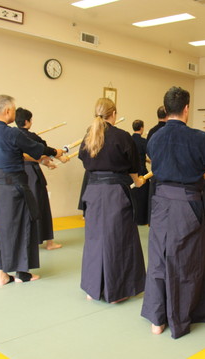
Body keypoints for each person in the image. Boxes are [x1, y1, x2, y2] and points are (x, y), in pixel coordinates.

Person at [141, 86, 205, 339]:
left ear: (165, 110)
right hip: (188, 204)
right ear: (187, 108)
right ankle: (195, 312)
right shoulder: (202, 139)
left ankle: (158, 319)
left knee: (159, 257)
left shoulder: (153, 139)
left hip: (160, 203)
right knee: (190, 260)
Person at [0, 95, 65, 287]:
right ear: (8, 111)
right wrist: (55, 152)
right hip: (14, 189)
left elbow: (11, 155)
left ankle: (1, 274)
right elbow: (37, 149)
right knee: (22, 227)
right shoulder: (12, 134)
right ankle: (22, 273)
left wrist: (39, 158)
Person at [78, 98, 146, 304]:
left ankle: (92, 288)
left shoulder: (89, 137)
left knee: (94, 239)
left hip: (93, 191)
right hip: (115, 193)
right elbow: (133, 167)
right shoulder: (122, 136)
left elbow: (84, 161)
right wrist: (139, 180)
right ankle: (116, 291)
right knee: (118, 240)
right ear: (113, 113)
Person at [15, 107, 62, 250]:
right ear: (27, 121)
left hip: (18, 174)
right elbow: (44, 149)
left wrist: (46, 162)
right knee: (41, 206)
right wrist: (59, 154)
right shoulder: (32, 136)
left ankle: (29, 240)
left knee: (24, 208)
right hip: (32, 174)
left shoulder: (13, 135)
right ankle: (49, 242)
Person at [131, 119, 150, 225]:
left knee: (132, 196)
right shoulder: (144, 141)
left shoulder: (128, 139)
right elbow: (147, 155)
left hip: (129, 171)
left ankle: (131, 218)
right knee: (143, 196)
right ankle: (142, 219)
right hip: (142, 171)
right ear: (142, 128)